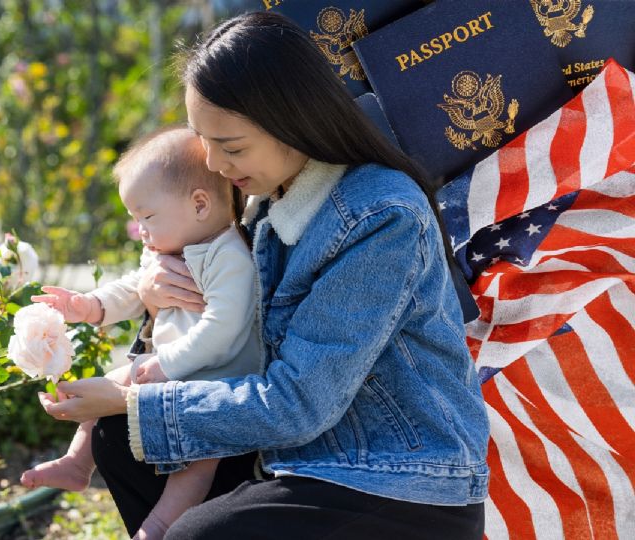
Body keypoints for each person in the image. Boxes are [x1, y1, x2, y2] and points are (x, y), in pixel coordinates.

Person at [35, 11, 490, 540]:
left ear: (292, 122)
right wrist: (158, 298)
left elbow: (299, 402)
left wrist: (131, 396)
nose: (213, 163)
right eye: (202, 140)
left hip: (395, 480)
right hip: (294, 455)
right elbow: (219, 344)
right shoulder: (262, 204)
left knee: (188, 523)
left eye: (230, 147)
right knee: (121, 438)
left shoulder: (380, 216)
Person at [20, 126, 263, 540]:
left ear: (200, 204)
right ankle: (78, 463)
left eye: (147, 217)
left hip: (216, 382)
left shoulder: (229, 257)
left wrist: (168, 363)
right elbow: (136, 286)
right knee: (100, 390)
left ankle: (161, 525)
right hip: (169, 368)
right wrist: (90, 305)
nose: (141, 231)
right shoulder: (169, 245)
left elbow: (224, 329)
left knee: (199, 461)